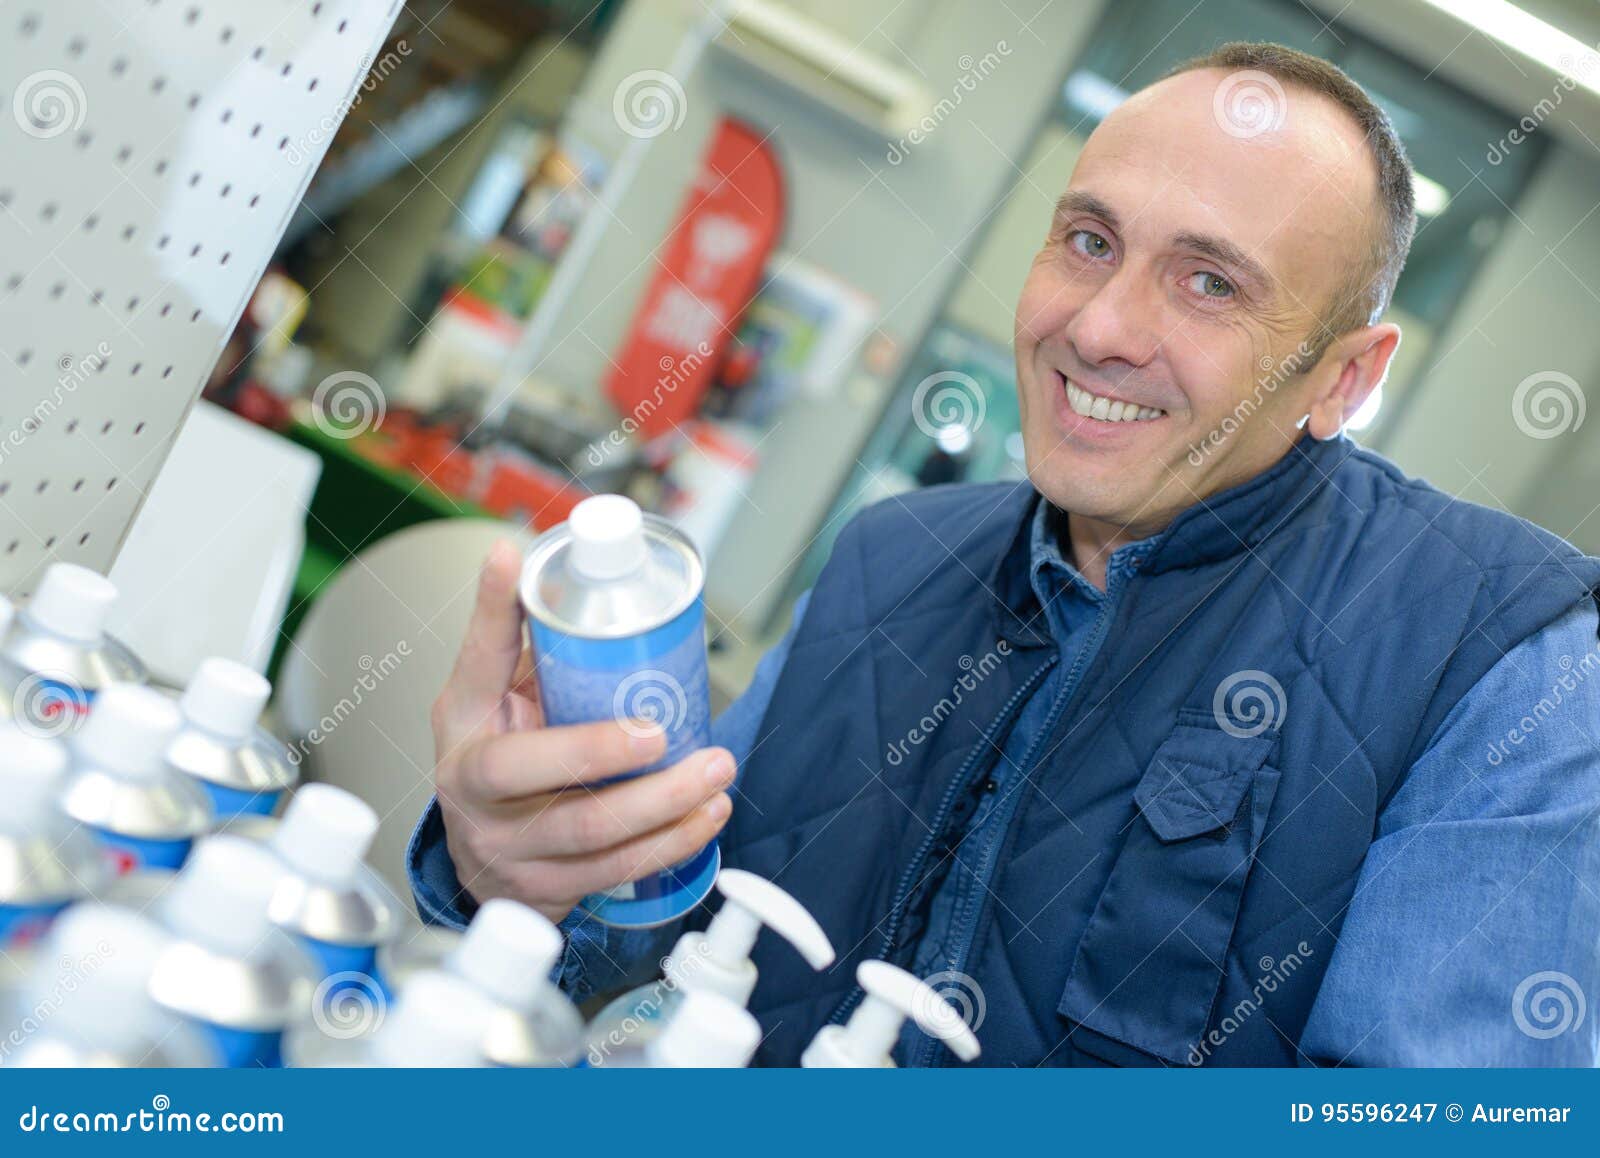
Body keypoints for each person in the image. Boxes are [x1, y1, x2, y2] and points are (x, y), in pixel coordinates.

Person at [411, 43, 1600, 1066]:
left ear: (1343, 377)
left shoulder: (1498, 658)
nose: (1097, 327)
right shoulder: (888, 558)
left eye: (1207, 282)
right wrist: (512, 879)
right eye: (1088, 241)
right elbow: (653, 973)